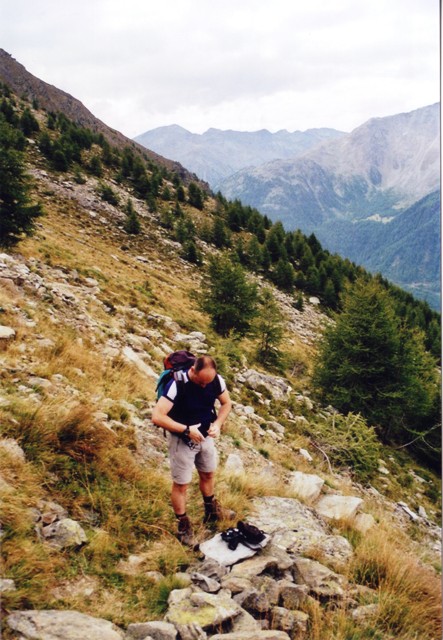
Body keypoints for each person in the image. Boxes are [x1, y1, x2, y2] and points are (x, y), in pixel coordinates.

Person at [152, 355, 234, 546]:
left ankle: (211, 511)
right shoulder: (177, 384)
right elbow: (157, 416)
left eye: (209, 382)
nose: (205, 386)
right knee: (181, 484)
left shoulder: (215, 381)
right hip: (182, 439)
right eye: (201, 382)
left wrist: (218, 424)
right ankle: (183, 526)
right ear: (193, 371)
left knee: (208, 474)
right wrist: (186, 430)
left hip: (205, 435)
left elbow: (226, 403)